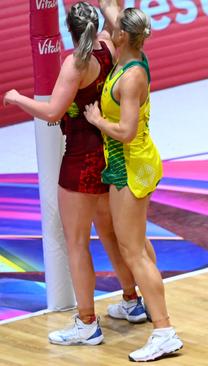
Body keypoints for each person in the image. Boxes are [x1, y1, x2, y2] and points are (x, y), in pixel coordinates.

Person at [2, 1, 152, 346]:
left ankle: (86, 323)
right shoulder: (108, 46)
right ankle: (132, 301)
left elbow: (53, 110)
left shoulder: (76, 63)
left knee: (76, 242)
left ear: (68, 30)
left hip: (80, 160)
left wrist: (18, 98)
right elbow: (122, 28)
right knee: (110, 233)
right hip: (108, 155)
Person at [82, 5, 183, 362]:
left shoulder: (132, 76)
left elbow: (126, 131)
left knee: (134, 251)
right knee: (137, 245)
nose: (107, 30)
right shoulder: (130, 52)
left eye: (113, 30)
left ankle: (164, 331)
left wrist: (96, 119)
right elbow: (112, 9)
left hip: (131, 165)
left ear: (122, 36)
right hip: (126, 164)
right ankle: (149, 310)